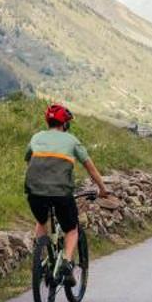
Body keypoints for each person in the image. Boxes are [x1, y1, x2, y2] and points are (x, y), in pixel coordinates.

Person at [25, 103, 108, 285]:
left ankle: (39, 261)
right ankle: (67, 263)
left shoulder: (36, 137)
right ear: (65, 124)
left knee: (41, 221)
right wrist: (102, 189)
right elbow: (91, 168)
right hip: (61, 191)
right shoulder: (71, 140)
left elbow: (29, 160)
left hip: (34, 190)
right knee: (71, 229)